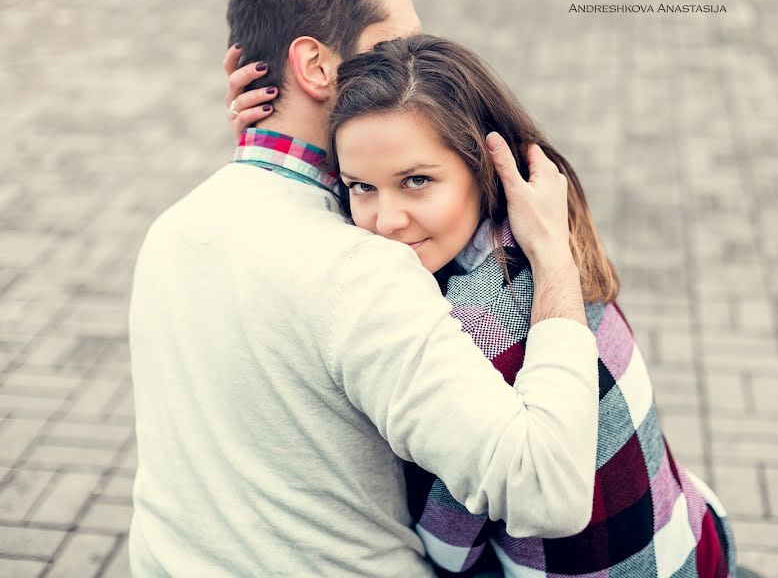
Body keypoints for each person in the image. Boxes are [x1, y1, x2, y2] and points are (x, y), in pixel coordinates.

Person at [129, 0, 603, 576]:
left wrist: (268, 146)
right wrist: (555, 256)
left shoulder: (176, 227)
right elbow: (548, 490)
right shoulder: (363, 271)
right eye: (396, 43)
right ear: (316, 65)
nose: (419, 61)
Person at [232, 34, 738, 576]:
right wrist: (265, 138)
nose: (386, 221)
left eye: (417, 181)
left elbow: (450, 547)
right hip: (694, 540)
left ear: (483, 167)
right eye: (361, 187)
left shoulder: (474, 325)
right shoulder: (536, 242)